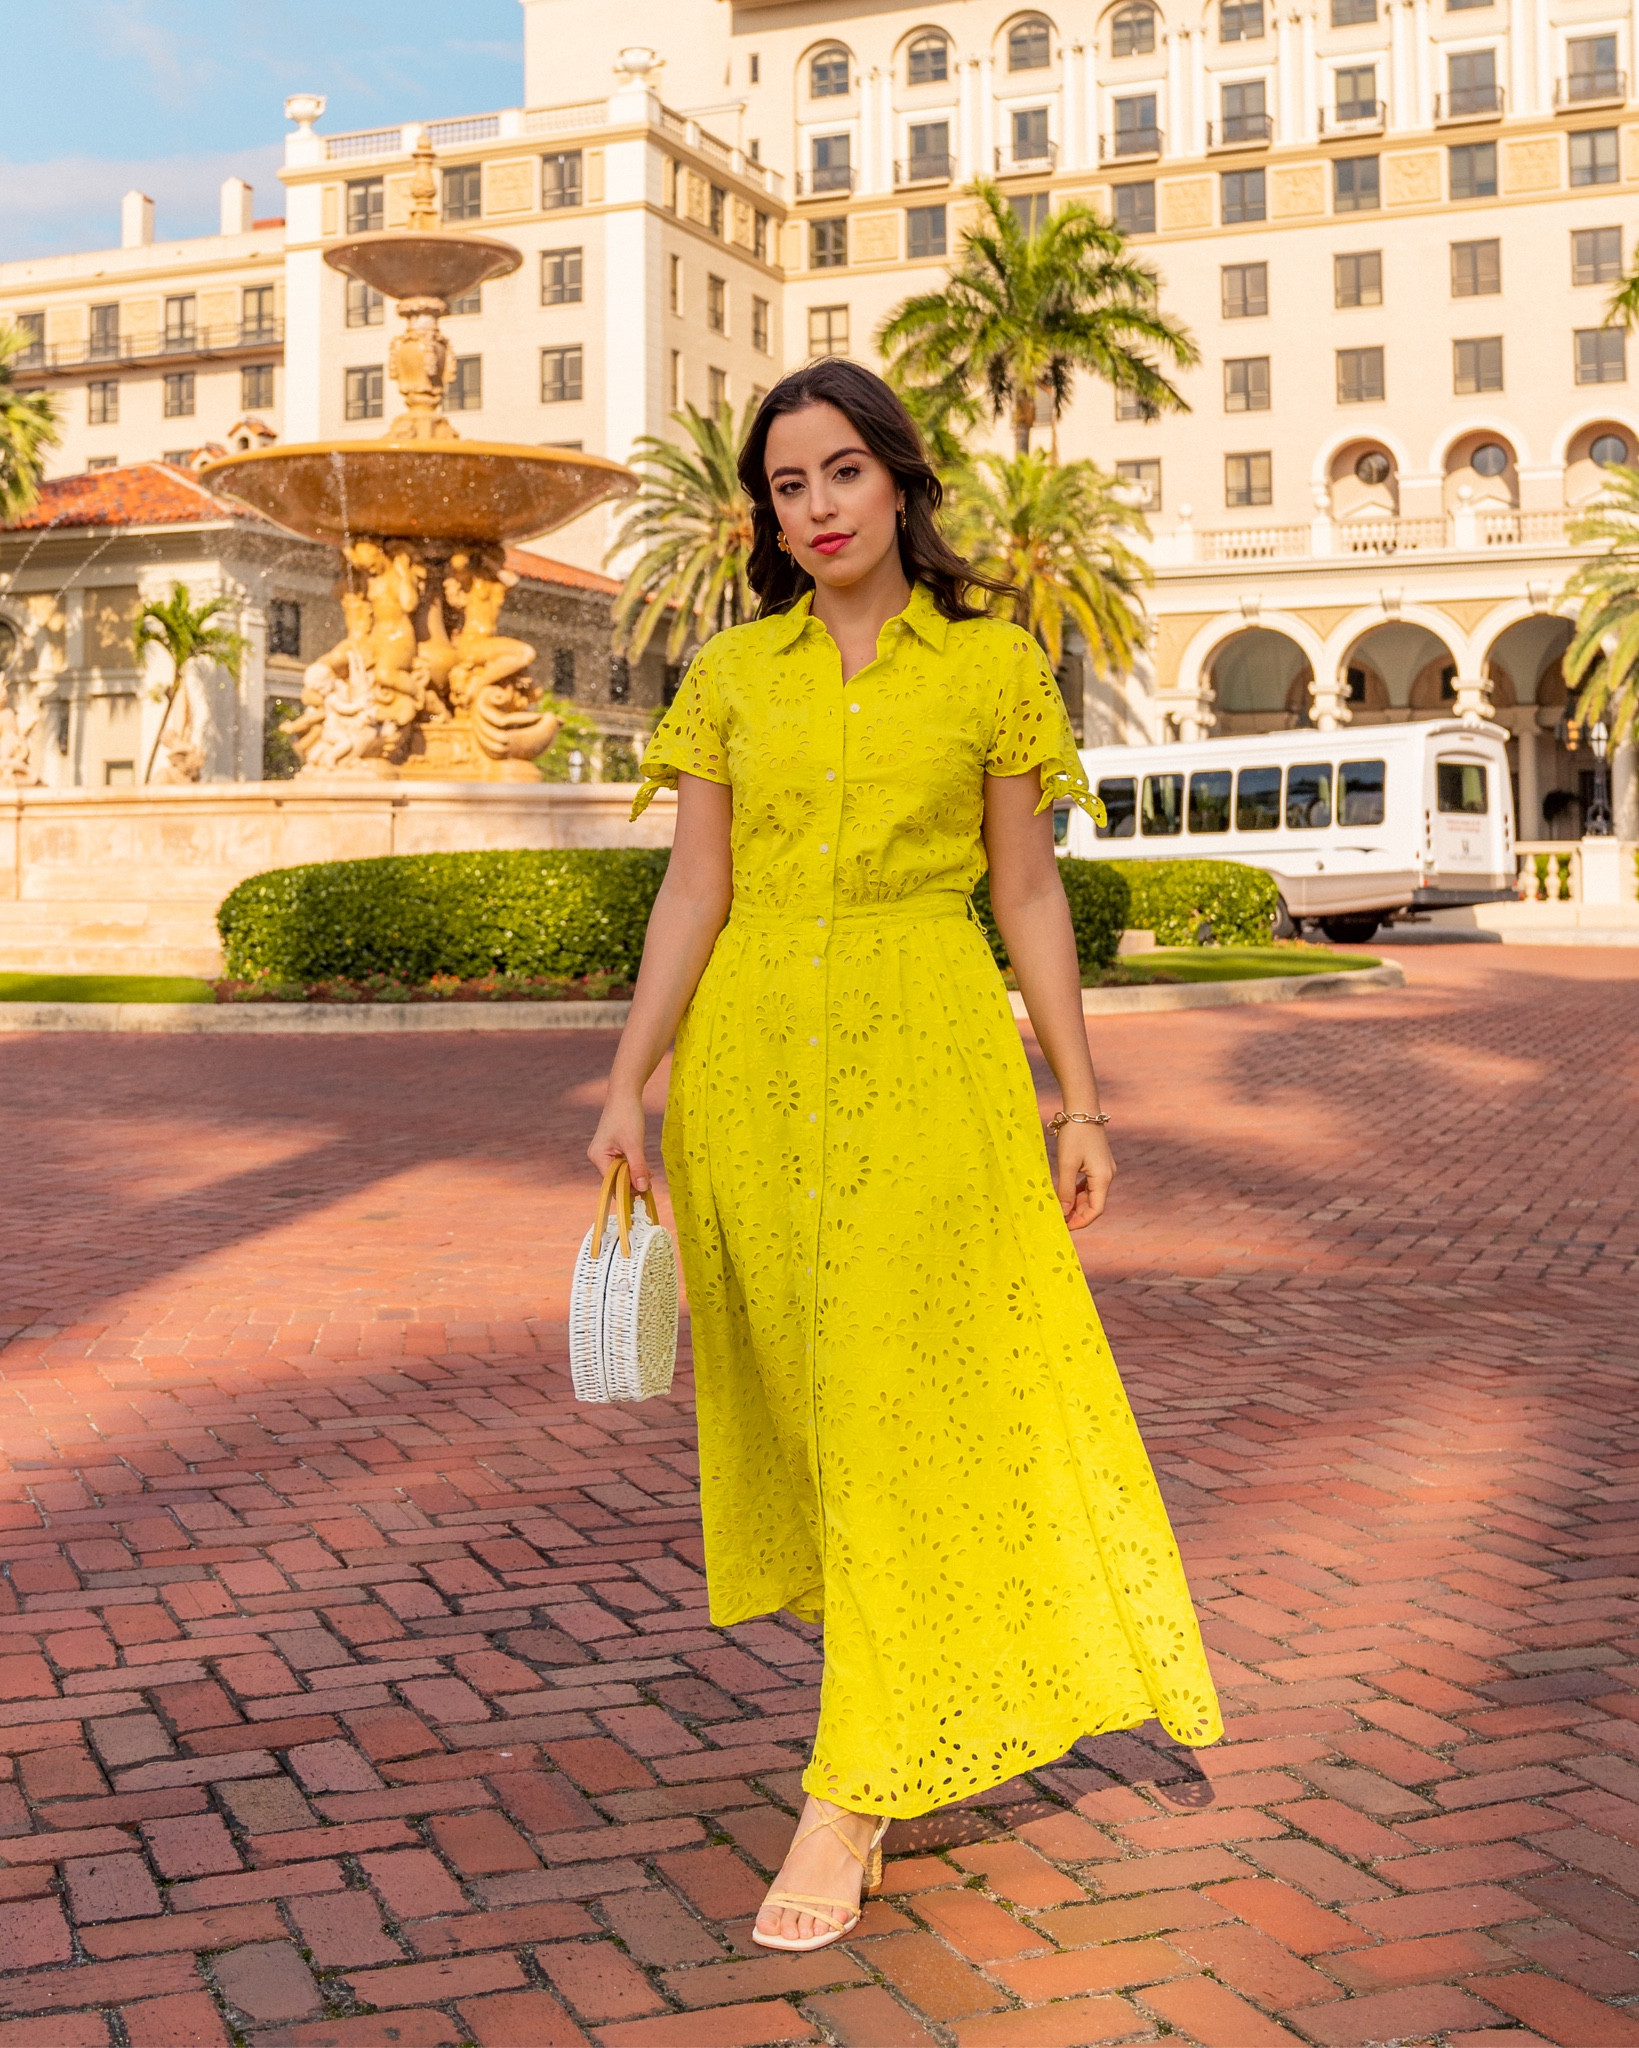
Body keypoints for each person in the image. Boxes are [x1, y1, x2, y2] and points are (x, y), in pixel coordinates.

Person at [588, 361, 1221, 1955]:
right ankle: (899, 1693)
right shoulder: (733, 672)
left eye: (842, 473)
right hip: (751, 1078)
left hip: (931, 1061)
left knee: (898, 1392)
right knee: (818, 1410)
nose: (816, 508)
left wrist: (1079, 1101)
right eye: (787, 486)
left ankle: (852, 1790)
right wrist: (627, 1083)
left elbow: (1024, 897)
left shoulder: (995, 664)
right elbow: (693, 895)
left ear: (900, 483)